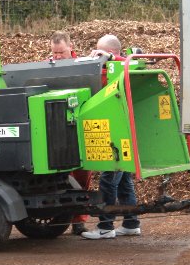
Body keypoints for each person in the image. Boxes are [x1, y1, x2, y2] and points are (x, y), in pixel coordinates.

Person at [82, 34, 141, 239]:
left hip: (118, 132)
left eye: (100, 52)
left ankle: (106, 226)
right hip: (119, 129)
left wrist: (110, 58)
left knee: (109, 179)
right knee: (124, 180)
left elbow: (127, 64)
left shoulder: (123, 66)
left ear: (111, 53)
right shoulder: (110, 69)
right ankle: (131, 222)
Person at [49, 31, 90, 235]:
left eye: (61, 52)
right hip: (56, 128)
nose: (57, 57)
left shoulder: (82, 66)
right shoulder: (46, 67)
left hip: (79, 126)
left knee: (82, 176)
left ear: (70, 47)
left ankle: (79, 220)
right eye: (54, 53)